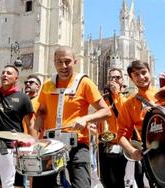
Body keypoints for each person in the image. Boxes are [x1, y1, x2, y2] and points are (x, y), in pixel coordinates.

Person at [32, 45, 111, 188]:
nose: (63, 66)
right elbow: (41, 113)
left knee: (81, 185)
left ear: (75, 61)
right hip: (50, 144)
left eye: (67, 61)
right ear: (54, 62)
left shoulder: (85, 82)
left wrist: (85, 119)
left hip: (77, 145)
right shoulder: (47, 85)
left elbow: (106, 111)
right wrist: (33, 140)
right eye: (59, 62)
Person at [117, 60, 165, 187]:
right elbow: (121, 135)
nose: (141, 77)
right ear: (131, 79)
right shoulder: (128, 104)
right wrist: (132, 151)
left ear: (150, 72)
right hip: (152, 157)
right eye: (136, 75)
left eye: (144, 72)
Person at [98, 68, 128, 188]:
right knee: (104, 179)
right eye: (111, 78)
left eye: (117, 77)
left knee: (117, 179)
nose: (114, 80)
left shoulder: (126, 98)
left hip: (120, 143)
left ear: (122, 80)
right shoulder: (103, 99)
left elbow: (125, 114)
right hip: (104, 143)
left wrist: (117, 94)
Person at [14, 74, 42, 188]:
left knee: (33, 176)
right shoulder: (21, 100)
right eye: (26, 82)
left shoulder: (40, 102)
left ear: (38, 86)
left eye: (31, 83)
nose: (27, 84)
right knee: (18, 177)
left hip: (35, 143)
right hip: (20, 144)